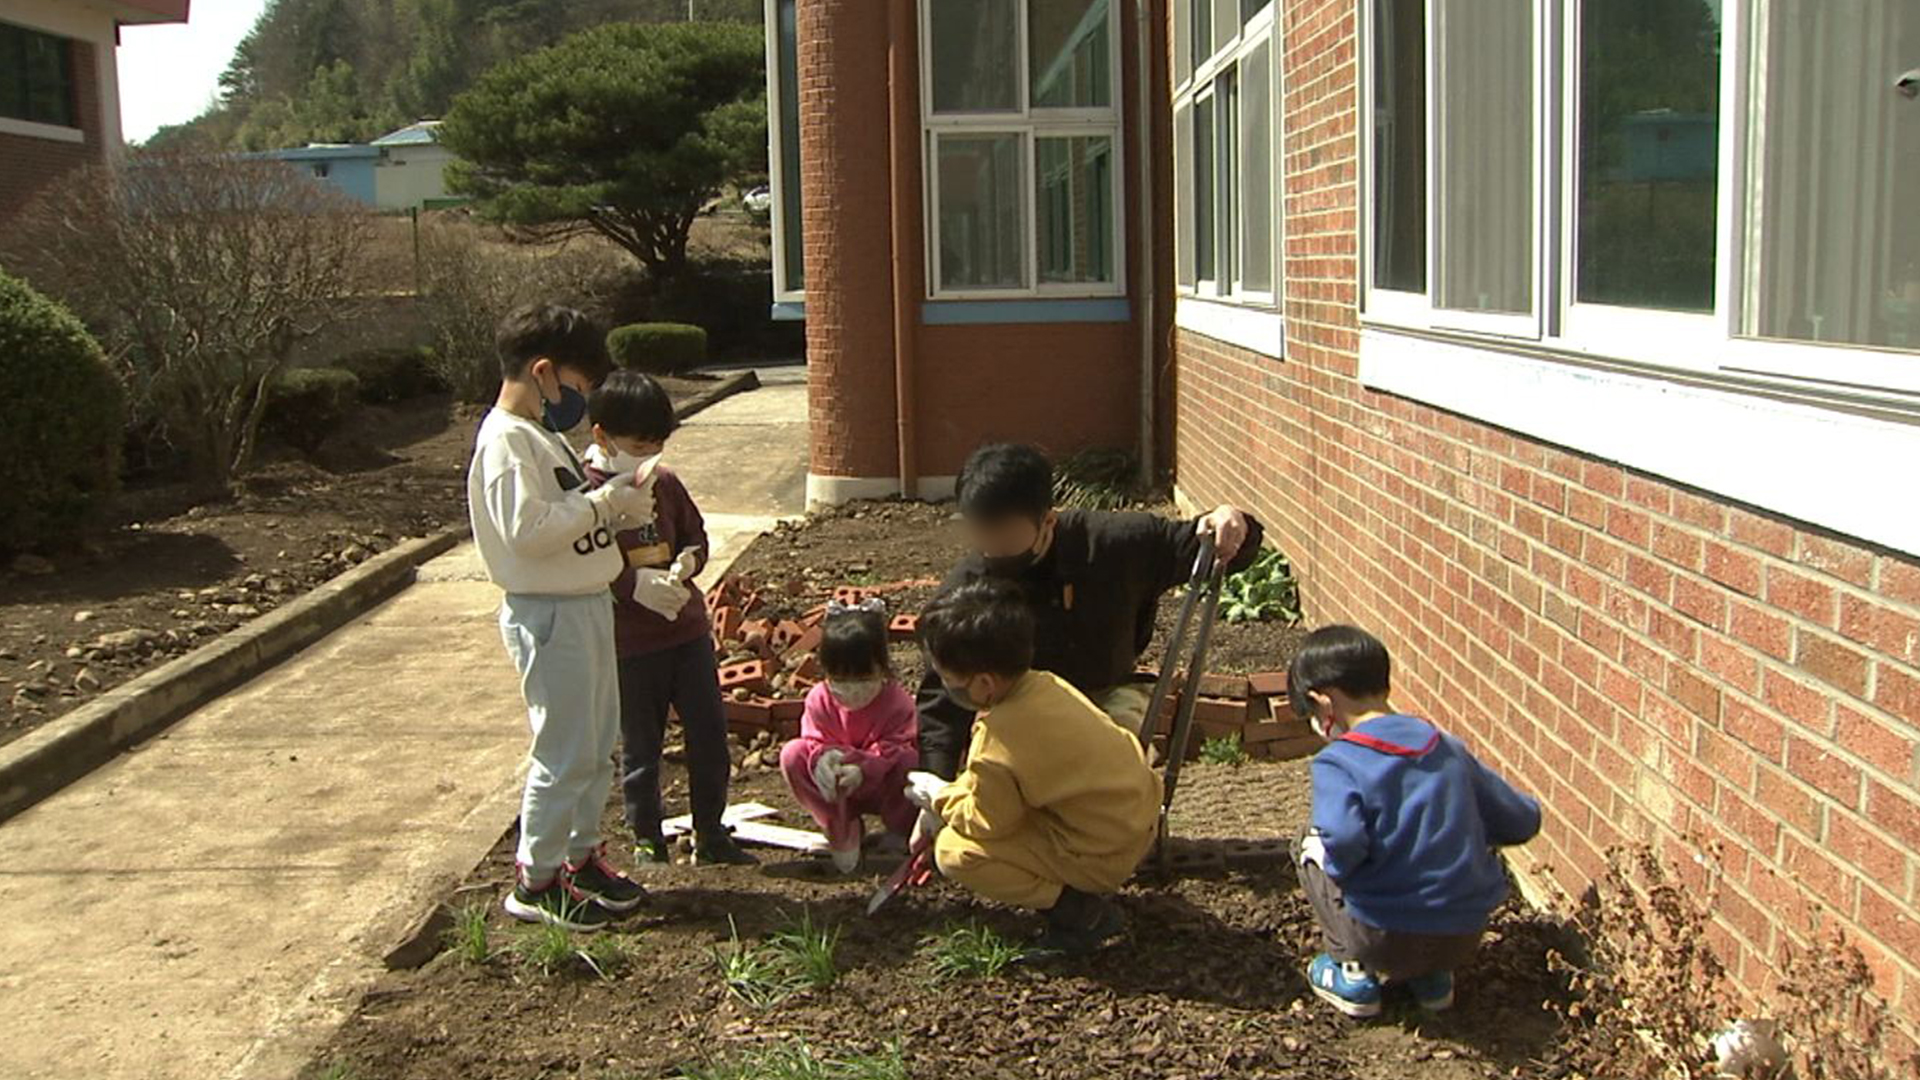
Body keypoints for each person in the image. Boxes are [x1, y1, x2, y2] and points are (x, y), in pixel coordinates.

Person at [916, 443, 1266, 781]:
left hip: (1107, 693)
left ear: (1048, 521)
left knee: (1106, 759)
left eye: (1005, 537)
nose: (992, 551)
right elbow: (944, 692)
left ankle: (1112, 828)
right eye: (983, 537)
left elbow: (1204, 547)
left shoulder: (1116, 545)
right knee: (1006, 767)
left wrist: (1228, 522)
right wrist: (935, 787)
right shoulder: (968, 590)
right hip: (1020, 703)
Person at [466, 304, 650, 931]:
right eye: (574, 387)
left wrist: (611, 508)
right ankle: (537, 879)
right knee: (564, 750)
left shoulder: (539, 436)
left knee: (596, 747)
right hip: (550, 613)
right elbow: (526, 532)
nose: (577, 402)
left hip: (583, 603)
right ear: (542, 371)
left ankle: (579, 856)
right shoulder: (506, 442)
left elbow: (562, 514)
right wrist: (602, 506)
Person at [1289, 625, 1543, 1018]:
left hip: (1381, 938)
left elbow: (1342, 838)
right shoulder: (1446, 748)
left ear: (1323, 703)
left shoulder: (1338, 763)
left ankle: (1352, 973)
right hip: (1461, 937)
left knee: (1309, 842)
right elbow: (1522, 821)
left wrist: (1343, 867)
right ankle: (1432, 981)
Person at [905, 580, 1163, 955]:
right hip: (1133, 820)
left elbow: (988, 822)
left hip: (1103, 854)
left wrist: (939, 800)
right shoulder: (1045, 684)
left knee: (955, 851)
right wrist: (951, 794)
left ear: (983, 684)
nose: (945, 685)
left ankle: (1079, 914)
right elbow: (1002, 785)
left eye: (947, 677)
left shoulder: (999, 739)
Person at [582, 370, 756, 868]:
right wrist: (628, 585)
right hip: (630, 643)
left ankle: (711, 833)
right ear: (602, 436)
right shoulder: (585, 493)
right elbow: (579, 561)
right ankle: (646, 839)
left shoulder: (666, 484)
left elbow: (695, 536)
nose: (648, 456)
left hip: (686, 630)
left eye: (656, 445)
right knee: (641, 747)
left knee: (708, 735)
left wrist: (688, 563)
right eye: (639, 444)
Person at [777, 598, 919, 873]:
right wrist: (822, 759)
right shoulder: (820, 699)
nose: (852, 689)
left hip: (882, 783)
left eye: (864, 678)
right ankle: (839, 824)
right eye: (840, 679)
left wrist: (863, 767)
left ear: (882, 668)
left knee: (911, 761)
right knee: (792, 754)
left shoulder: (897, 702)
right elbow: (814, 739)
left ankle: (899, 831)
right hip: (836, 788)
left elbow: (896, 746)